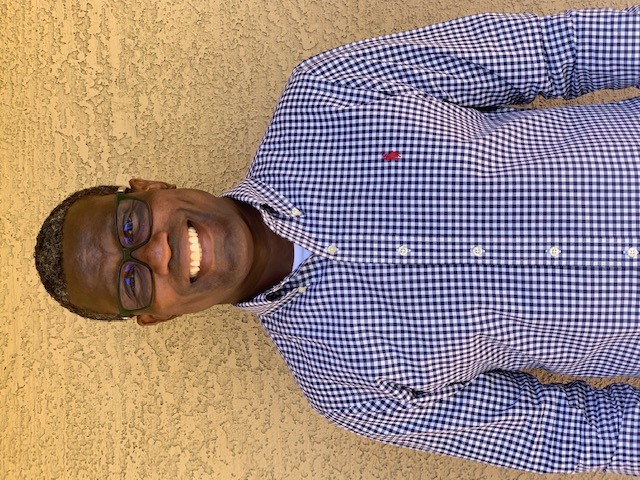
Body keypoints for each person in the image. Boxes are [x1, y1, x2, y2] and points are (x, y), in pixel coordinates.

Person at [35, 5, 640, 475]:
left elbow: (560, 52)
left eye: (130, 226)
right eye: (132, 281)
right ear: (157, 316)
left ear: (152, 187)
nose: (158, 252)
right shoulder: (343, 388)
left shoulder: (327, 93)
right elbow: (575, 433)